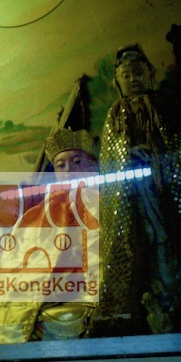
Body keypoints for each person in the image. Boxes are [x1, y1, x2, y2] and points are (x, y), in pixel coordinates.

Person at [88, 44, 181, 337]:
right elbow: (110, 156)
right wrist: (126, 156)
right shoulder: (116, 113)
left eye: (138, 73)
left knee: (165, 242)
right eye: (126, 75)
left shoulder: (162, 108)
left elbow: (173, 145)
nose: (133, 80)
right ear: (117, 81)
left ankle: (169, 305)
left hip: (161, 188)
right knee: (137, 242)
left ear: (149, 75)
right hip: (132, 191)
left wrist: (157, 156)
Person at [0, 128, 100, 343]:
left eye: (77, 162)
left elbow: (96, 250)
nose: (69, 170)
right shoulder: (41, 210)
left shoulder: (97, 202)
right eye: (61, 165)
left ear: (93, 165)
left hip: (77, 286)